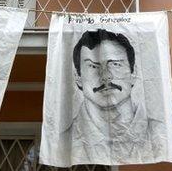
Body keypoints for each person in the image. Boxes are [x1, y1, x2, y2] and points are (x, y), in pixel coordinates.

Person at [66, 29, 164, 162]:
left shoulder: (161, 135)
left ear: (133, 72)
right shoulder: (63, 140)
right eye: (93, 66)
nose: (105, 77)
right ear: (78, 78)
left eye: (115, 64)